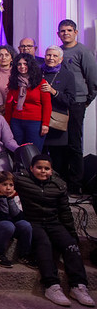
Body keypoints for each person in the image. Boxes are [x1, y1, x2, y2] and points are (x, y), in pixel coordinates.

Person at [15, 154, 94, 307]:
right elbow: (0, 181)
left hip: (53, 222)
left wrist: (71, 233)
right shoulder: (21, 180)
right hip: (33, 222)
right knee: (44, 245)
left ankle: (78, 286)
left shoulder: (59, 185)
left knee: (70, 245)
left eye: (46, 168)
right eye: (39, 168)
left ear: (51, 170)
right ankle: (51, 285)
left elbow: (65, 211)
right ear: (31, 168)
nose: (42, 171)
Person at [57, 19, 97, 195]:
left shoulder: (83, 52)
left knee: (74, 143)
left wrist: (87, 99)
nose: (66, 33)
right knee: (60, 143)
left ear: (76, 32)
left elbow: (93, 78)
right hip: (60, 102)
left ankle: (75, 184)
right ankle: (61, 181)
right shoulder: (57, 52)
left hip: (77, 102)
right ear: (58, 34)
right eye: (62, 31)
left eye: (69, 30)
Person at [0, 170, 33, 269]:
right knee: (8, 225)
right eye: (4, 184)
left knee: (25, 225)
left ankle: (24, 254)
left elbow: (18, 216)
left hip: (9, 223)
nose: (8, 188)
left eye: (11, 185)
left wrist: (10, 199)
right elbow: (1, 216)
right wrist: (2, 198)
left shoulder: (14, 195)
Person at [39, 45, 77, 177]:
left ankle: (58, 185)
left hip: (57, 123)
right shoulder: (37, 72)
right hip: (38, 121)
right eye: (48, 55)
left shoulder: (67, 75)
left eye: (55, 56)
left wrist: (53, 92)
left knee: (58, 160)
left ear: (60, 59)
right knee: (39, 157)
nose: (51, 58)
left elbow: (70, 100)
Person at [3, 53, 51, 150]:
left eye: (25, 64)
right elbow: (9, 105)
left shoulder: (41, 82)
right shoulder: (13, 82)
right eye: (19, 64)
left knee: (33, 152)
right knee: (17, 151)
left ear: (30, 65)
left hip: (35, 123)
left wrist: (45, 124)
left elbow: (47, 105)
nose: (22, 66)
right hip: (16, 121)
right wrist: (7, 123)